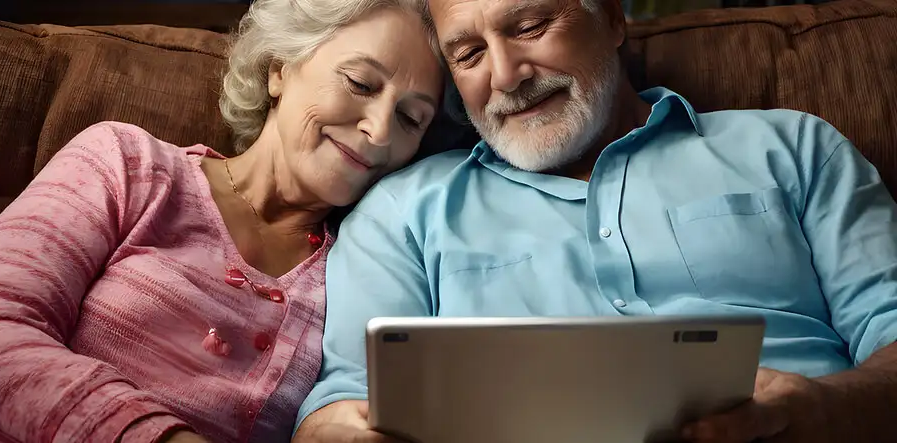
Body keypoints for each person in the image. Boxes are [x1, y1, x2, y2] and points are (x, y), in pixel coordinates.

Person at [293, 0, 897, 442]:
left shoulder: (792, 147)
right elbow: (342, 396)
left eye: (529, 26)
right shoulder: (401, 211)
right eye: (469, 54)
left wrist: (827, 409)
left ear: (611, 19)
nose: (505, 76)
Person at [0, 0, 443, 442]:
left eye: (412, 119)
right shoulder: (129, 163)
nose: (379, 130)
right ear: (280, 67)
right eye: (360, 83)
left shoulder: (361, 273)